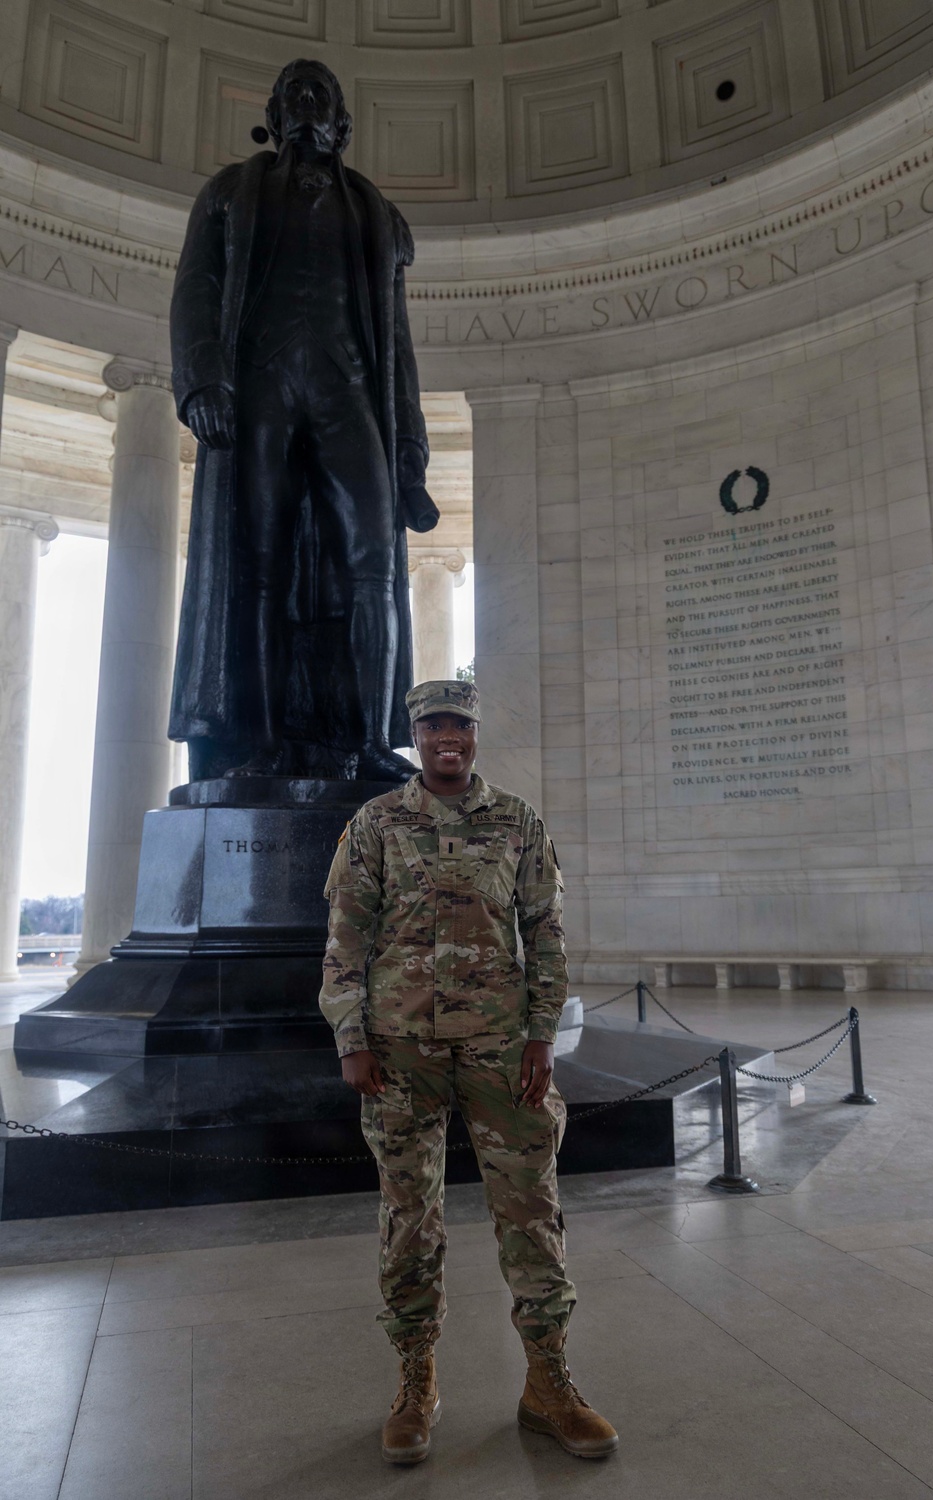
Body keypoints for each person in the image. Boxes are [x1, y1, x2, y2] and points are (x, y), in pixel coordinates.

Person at [318, 680, 619, 1464]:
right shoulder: (378, 822)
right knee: (408, 1216)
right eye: (432, 726)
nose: (446, 737)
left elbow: (544, 932)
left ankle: (548, 1383)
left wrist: (541, 1034)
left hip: (500, 1049)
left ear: (476, 732)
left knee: (532, 1210)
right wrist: (351, 1036)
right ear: (415, 737)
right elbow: (346, 937)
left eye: (459, 724)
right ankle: (415, 1379)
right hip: (400, 1052)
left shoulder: (517, 820)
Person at [170, 58, 437, 782]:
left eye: (322, 94)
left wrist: (409, 443)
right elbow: (197, 288)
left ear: (342, 123)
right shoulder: (230, 194)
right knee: (257, 568)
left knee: (375, 568)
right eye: (296, 92)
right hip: (260, 389)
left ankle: (368, 742)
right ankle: (257, 743)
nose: (308, 102)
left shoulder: (377, 214)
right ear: (274, 114)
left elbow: (398, 342)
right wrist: (202, 380)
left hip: (348, 393)